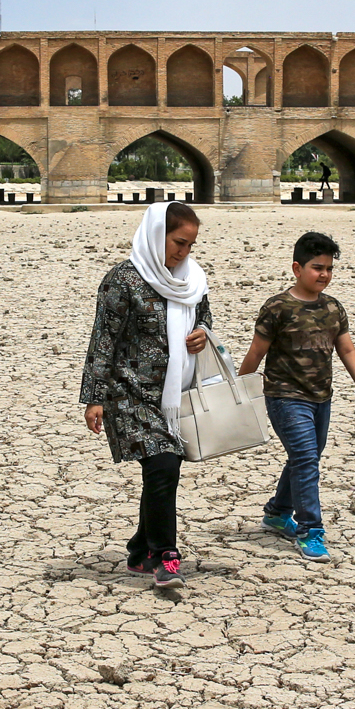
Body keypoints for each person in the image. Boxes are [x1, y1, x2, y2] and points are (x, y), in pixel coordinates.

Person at [80, 201, 212, 588]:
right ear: (158, 235)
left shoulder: (191, 279)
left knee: (163, 470)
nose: (183, 252)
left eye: (190, 245)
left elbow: (202, 315)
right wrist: (95, 396)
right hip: (129, 393)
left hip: (173, 394)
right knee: (164, 466)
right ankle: (165, 557)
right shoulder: (123, 280)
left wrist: (202, 331)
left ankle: (140, 549)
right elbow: (103, 340)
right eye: (178, 242)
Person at [238, 230, 355, 563]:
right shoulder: (277, 307)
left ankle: (277, 512)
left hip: (321, 397)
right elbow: (257, 351)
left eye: (328, 268)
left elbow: (346, 348)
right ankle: (310, 530)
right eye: (316, 267)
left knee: (305, 458)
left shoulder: (333, 308)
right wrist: (239, 389)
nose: (323, 274)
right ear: (297, 268)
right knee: (306, 459)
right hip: (284, 397)